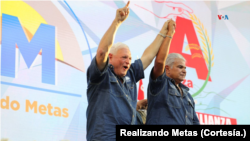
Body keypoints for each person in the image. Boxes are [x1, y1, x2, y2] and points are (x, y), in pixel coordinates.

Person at [86, 0, 173, 140]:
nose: (128, 61)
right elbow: (101, 51)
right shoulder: (101, 76)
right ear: (111, 57)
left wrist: (163, 33)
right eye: (124, 57)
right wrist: (117, 22)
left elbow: (148, 56)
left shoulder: (130, 74)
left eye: (130, 58)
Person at [146, 20, 200, 125]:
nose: (184, 71)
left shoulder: (188, 95)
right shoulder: (160, 85)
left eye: (185, 68)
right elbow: (160, 61)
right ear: (167, 69)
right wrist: (169, 34)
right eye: (180, 67)